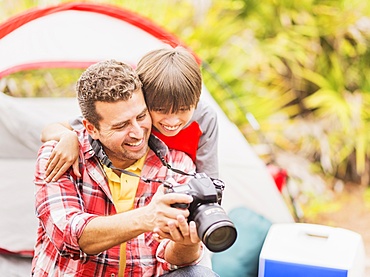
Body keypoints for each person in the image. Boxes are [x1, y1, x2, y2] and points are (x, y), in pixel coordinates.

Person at [32, 59, 218, 276]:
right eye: (121, 125)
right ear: (91, 128)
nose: (138, 133)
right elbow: (67, 235)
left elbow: (169, 257)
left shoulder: (177, 165)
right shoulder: (60, 154)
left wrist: (187, 243)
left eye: (141, 116)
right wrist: (146, 217)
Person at [41, 46, 219, 183]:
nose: (172, 120)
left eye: (183, 110)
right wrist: (68, 136)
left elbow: (209, 178)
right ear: (145, 100)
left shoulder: (205, 119)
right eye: (161, 111)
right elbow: (49, 130)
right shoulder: (136, 115)